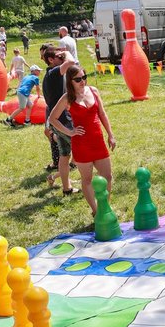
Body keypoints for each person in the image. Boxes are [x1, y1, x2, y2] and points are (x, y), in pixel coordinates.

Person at [48, 63, 116, 214]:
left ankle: (105, 206)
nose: (82, 81)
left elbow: (102, 114)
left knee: (107, 176)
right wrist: (70, 132)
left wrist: (110, 135)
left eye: (84, 77)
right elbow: (52, 118)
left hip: (98, 141)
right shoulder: (67, 98)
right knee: (87, 179)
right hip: (81, 144)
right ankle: (95, 211)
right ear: (70, 81)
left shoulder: (93, 91)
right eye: (78, 79)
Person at [41, 46, 77, 194]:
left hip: (56, 122)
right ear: (51, 60)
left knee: (65, 155)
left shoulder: (50, 75)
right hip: (62, 121)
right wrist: (67, 53)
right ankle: (89, 183)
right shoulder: (54, 73)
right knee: (81, 151)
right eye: (59, 56)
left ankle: (66, 186)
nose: (62, 58)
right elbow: (72, 62)